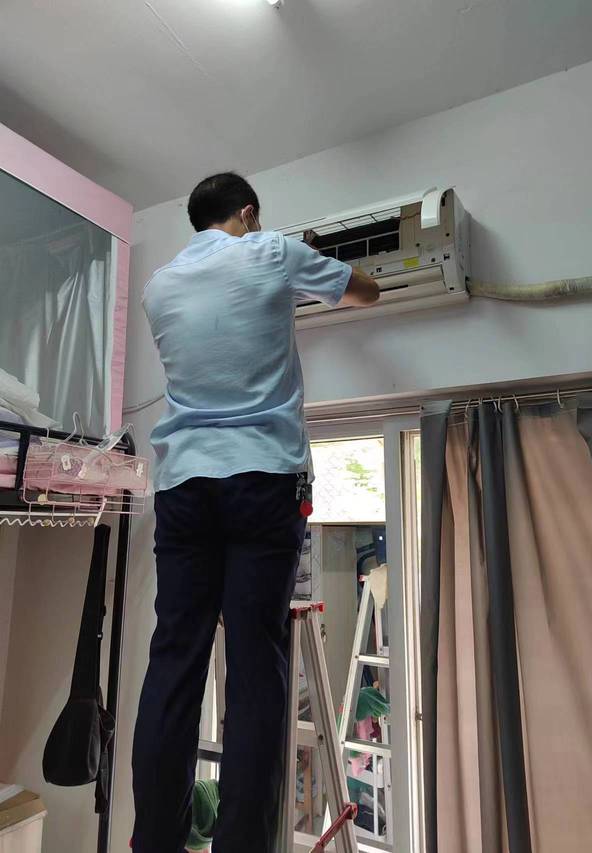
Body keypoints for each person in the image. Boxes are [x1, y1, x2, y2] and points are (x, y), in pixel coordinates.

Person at [132, 173, 379, 853]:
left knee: (174, 657)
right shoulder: (270, 250)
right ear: (247, 213)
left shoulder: (158, 286)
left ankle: (154, 841)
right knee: (254, 661)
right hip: (263, 479)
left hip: (183, 484)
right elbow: (366, 290)